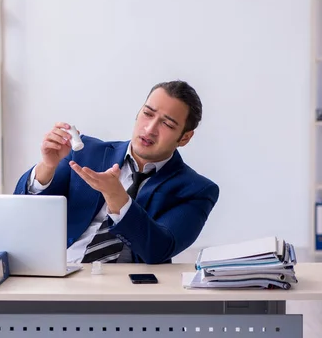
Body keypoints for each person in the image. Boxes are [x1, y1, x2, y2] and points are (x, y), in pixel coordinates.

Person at [13, 80, 219, 264]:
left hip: (127, 292)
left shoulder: (197, 190)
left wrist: (117, 198)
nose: (149, 129)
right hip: (63, 273)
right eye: (147, 114)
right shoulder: (85, 153)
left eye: (166, 124)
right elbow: (26, 212)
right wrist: (47, 166)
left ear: (185, 138)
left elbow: (159, 249)